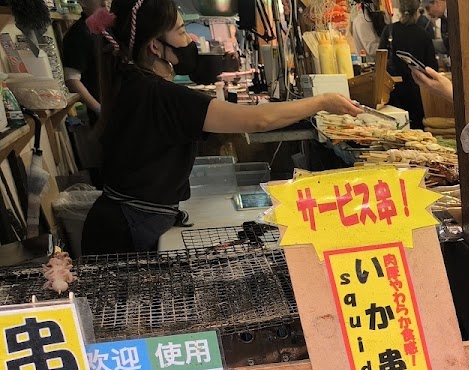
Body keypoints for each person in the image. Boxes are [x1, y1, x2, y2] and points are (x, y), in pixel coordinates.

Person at [80, 0, 358, 254]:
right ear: (155, 46)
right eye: (180, 32)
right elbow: (260, 120)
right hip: (129, 230)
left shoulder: (129, 82)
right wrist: (322, 101)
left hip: (120, 219)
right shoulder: (162, 95)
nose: (188, 39)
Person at [380, 0, 436, 130]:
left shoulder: (389, 31)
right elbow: (432, 68)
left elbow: (381, 61)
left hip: (392, 92)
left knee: (394, 133)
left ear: (399, 11)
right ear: (417, 11)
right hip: (417, 94)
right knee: (417, 137)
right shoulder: (424, 35)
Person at [62, 0, 105, 121]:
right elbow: (72, 80)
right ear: (82, 2)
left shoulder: (107, 29)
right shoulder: (79, 34)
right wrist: (99, 109)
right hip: (106, 115)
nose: (104, 2)